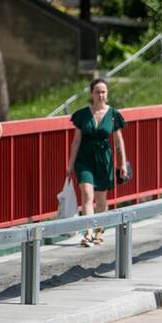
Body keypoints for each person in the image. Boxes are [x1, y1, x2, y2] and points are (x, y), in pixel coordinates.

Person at [66, 78, 129, 247]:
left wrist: (122, 164)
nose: (100, 95)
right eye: (97, 92)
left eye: (103, 92)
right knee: (87, 195)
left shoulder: (113, 115)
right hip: (84, 160)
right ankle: (87, 233)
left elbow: (118, 142)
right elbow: (76, 141)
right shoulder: (82, 115)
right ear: (91, 94)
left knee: (101, 201)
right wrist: (70, 164)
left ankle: (99, 231)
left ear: (107, 94)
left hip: (104, 161)